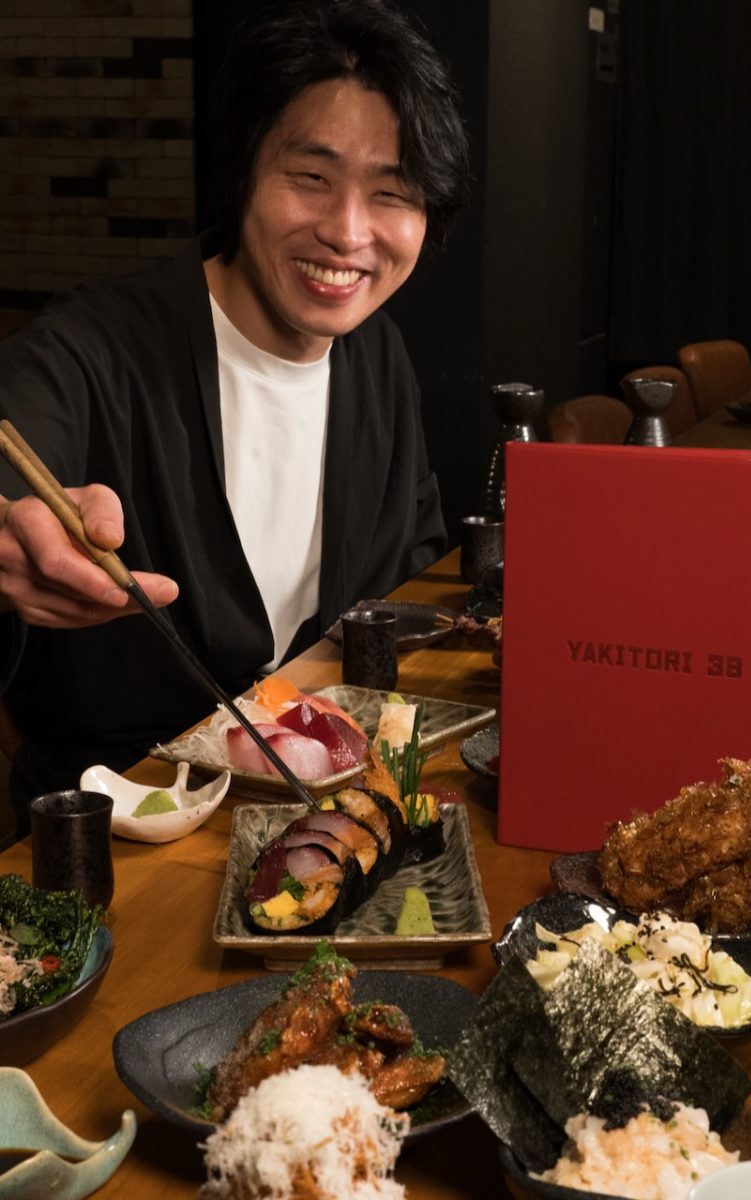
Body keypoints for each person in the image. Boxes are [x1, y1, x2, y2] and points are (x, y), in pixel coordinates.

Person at [0, 0, 470, 829]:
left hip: (322, 816)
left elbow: (411, 571)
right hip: (124, 842)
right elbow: (15, 461)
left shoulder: (376, 354)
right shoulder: (90, 349)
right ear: (243, 169)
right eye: (311, 178)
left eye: (391, 192)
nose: (347, 232)